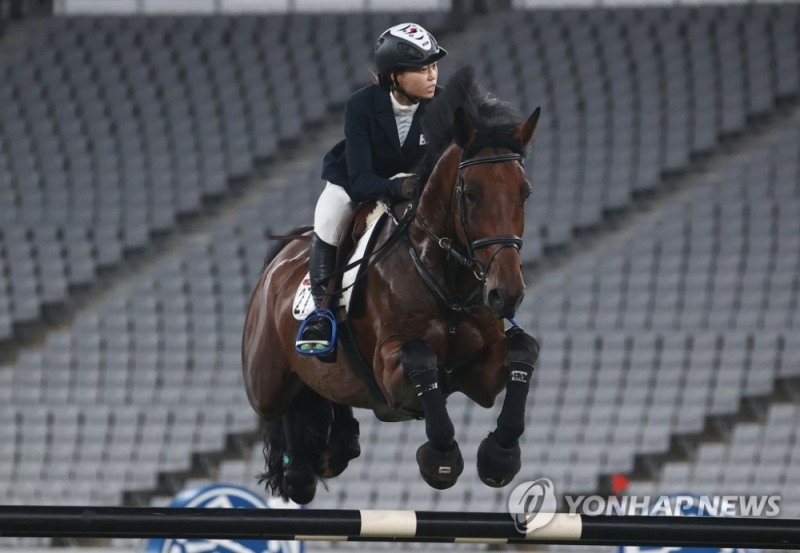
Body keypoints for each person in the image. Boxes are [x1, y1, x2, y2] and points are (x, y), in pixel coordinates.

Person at [295, 22, 447, 357]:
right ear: (394, 76)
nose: (432, 75)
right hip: (357, 183)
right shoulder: (361, 105)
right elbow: (361, 179)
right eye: (422, 69)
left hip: (415, 187)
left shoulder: (443, 105)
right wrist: (398, 185)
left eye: (434, 66)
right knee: (328, 216)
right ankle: (321, 312)